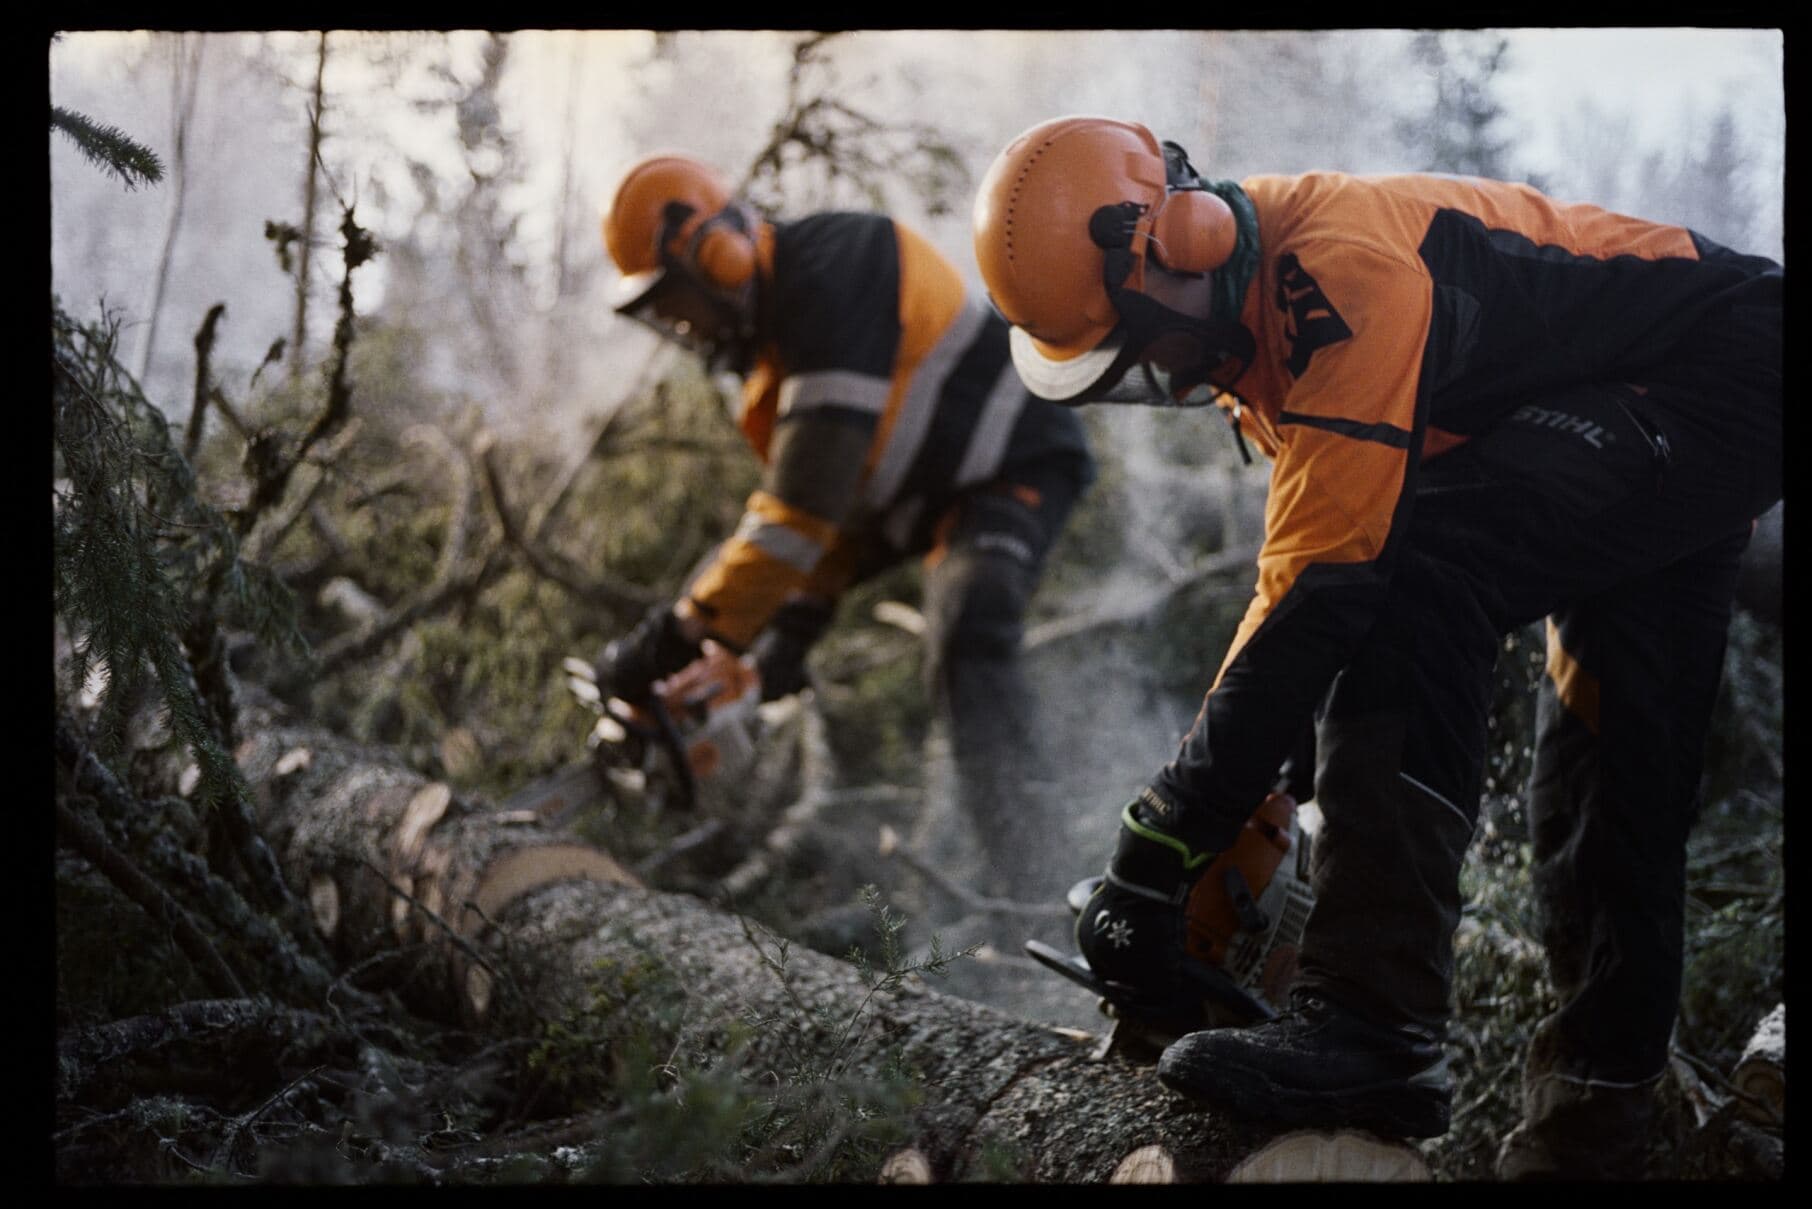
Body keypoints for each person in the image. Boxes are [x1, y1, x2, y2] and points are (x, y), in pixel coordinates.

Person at [970, 115, 1781, 1178]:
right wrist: (1253, 804)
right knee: (1608, 780)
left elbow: (1328, 585)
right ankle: (1599, 1123)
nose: (1157, 375)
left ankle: (1371, 1031)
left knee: (1417, 571)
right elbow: (1302, 605)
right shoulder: (1259, 343)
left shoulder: (1334, 273)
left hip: (1725, 366)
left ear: (1185, 234)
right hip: (1651, 400)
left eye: (1140, 339)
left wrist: (1161, 843)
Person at [594, 154, 1095, 903]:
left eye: (678, 302)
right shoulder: (768, 379)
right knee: (765, 620)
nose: (680, 325)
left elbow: (802, 510)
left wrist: (677, 631)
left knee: (967, 627)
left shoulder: (838, 265)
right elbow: (825, 530)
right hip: (918, 499)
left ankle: (1042, 890)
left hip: (1012, 458)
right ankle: (1029, 880)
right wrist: (782, 638)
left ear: (715, 253)